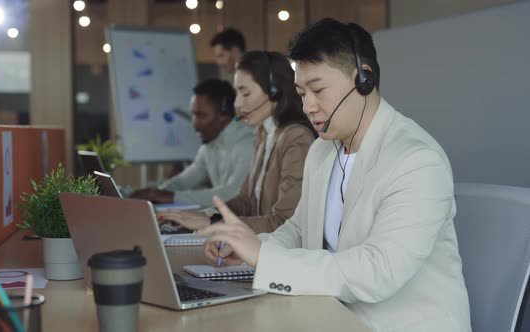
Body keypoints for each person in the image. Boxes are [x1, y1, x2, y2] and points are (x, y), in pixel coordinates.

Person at [196, 19, 472, 331]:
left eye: (318, 90)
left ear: (363, 79)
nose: (308, 106)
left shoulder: (417, 161)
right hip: (331, 315)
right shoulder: (322, 151)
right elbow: (299, 232)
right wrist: (248, 246)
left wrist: (265, 258)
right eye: (301, 93)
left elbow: (378, 271)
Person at [158, 51, 316, 234]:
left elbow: (284, 223)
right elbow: (245, 202)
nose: (237, 104)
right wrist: (206, 216)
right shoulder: (262, 135)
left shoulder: (295, 139)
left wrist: (215, 224)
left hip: (277, 255)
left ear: (275, 92)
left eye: (246, 93)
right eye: (237, 94)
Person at [131, 79, 254, 208]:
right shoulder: (210, 144)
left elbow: (233, 193)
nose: (194, 124)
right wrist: (155, 193)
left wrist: (171, 197)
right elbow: (183, 181)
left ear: (223, 114)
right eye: (193, 114)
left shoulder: (247, 142)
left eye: (201, 115)